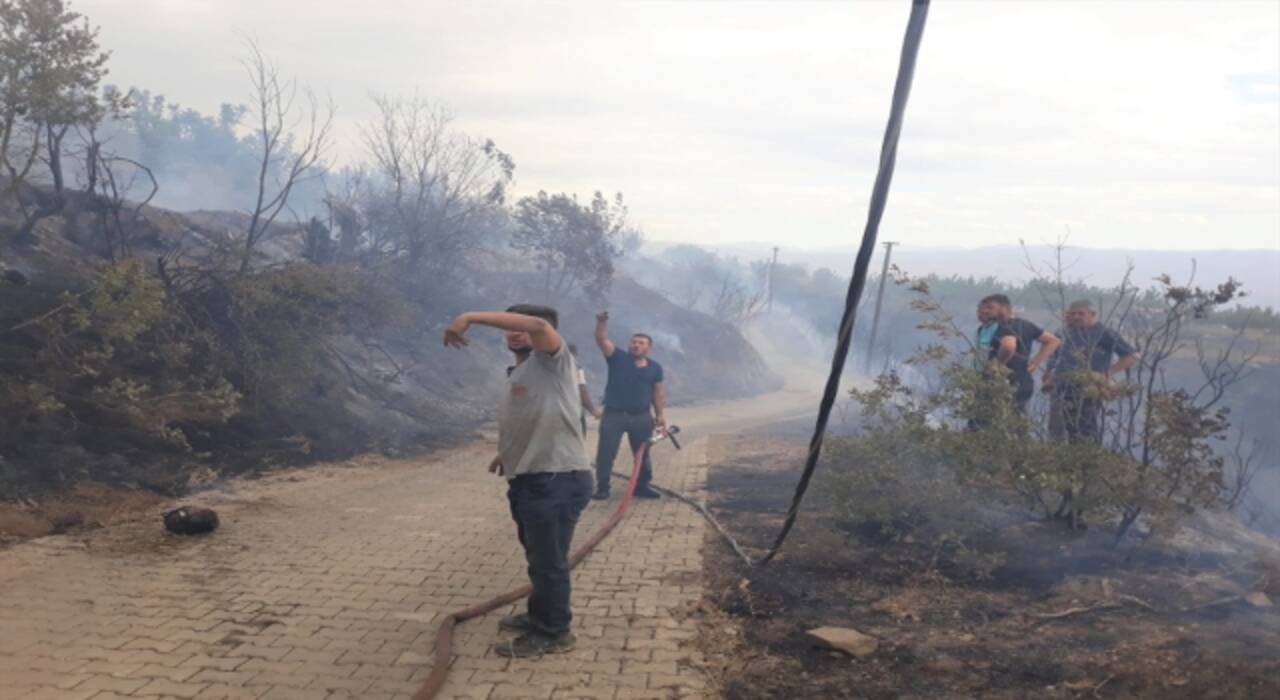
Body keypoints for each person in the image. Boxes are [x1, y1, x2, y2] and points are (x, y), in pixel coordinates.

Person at [443, 304, 592, 658]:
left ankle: (555, 633)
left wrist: (468, 317)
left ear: (546, 335)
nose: (516, 332)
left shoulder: (553, 362)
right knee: (539, 557)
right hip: (532, 479)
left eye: (522, 328)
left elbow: (538, 324)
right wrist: (506, 454)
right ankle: (539, 616)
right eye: (510, 327)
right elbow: (533, 421)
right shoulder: (521, 372)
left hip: (556, 481)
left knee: (548, 561)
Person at [591, 311, 667, 500]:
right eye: (634, 342)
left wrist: (660, 415)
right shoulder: (617, 357)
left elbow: (657, 392)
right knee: (606, 453)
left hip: (641, 417)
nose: (636, 345)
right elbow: (602, 339)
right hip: (614, 415)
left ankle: (641, 486)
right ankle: (602, 487)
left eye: (641, 343)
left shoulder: (655, 368)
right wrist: (601, 322)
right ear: (629, 345)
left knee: (642, 454)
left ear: (649, 347)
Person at [1042, 300, 1140, 443]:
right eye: (1073, 314)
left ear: (1092, 314)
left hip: (1087, 391)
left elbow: (1131, 356)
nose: (1076, 317)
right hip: (1060, 389)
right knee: (1056, 430)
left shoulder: (1104, 333)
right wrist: (1049, 375)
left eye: (1081, 313)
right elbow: (1055, 356)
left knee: (1084, 431)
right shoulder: (1065, 332)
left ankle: (1085, 461)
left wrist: (1106, 374)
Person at [984, 294, 1061, 414]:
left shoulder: (1004, 326)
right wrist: (1036, 361)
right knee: (1017, 423)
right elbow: (1053, 340)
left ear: (1005, 308)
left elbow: (1009, 345)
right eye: (984, 308)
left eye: (990, 307)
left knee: (994, 421)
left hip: (1006, 383)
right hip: (1024, 382)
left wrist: (998, 365)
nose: (986, 311)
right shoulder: (1025, 325)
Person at [568, 344, 602, 435]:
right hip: (572, 411)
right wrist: (593, 410)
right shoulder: (576, 367)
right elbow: (582, 389)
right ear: (575, 354)